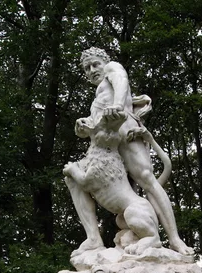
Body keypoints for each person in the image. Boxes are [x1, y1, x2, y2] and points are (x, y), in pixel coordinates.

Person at [68, 47, 192, 256]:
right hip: (105, 143)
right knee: (72, 178)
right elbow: (93, 127)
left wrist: (117, 105)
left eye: (95, 64)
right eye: (87, 68)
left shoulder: (112, 68)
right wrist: (80, 126)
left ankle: (175, 239)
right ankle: (93, 238)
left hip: (125, 130)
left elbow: (121, 80)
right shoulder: (97, 97)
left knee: (146, 179)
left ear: (104, 62)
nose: (92, 69)